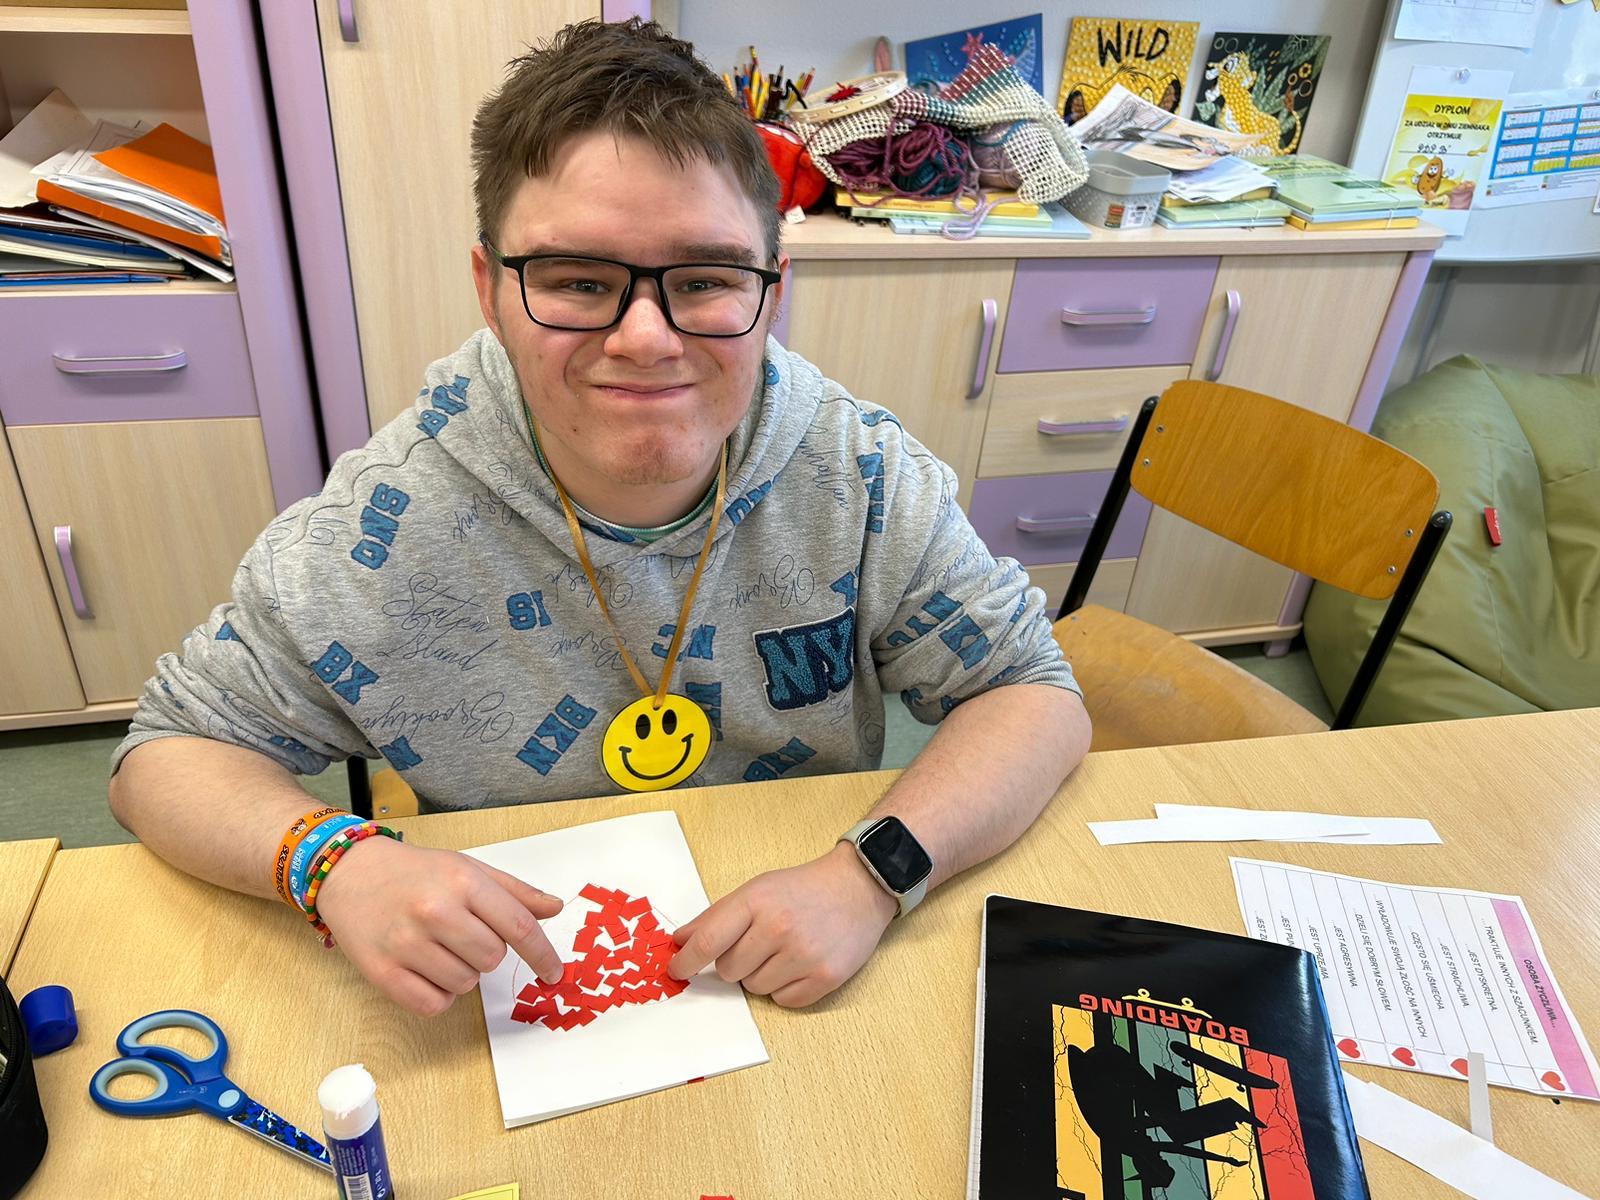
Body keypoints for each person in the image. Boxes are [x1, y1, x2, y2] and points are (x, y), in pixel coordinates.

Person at [108, 18, 1091, 1018]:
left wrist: (871, 876)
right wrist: (335, 863)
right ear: (491, 290)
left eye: (704, 281)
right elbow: (165, 755)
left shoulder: (862, 476)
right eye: (579, 282)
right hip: (514, 997)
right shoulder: (383, 523)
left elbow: (1032, 695)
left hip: (800, 967)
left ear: (770, 293)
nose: (645, 338)